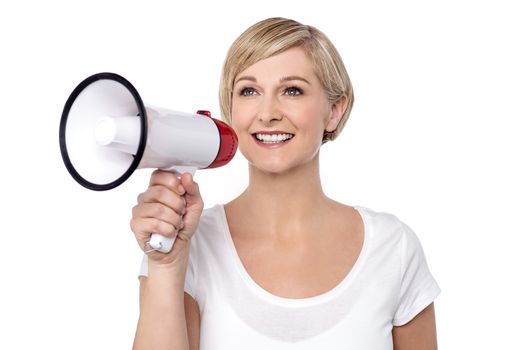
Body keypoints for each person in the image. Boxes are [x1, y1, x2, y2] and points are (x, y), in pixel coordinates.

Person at [131, 17, 440, 350]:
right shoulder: (185, 246)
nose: (267, 113)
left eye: (292, 90)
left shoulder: (393, 249)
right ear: (231, 110)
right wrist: (166, 267)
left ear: (335, 110)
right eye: (249, 91)